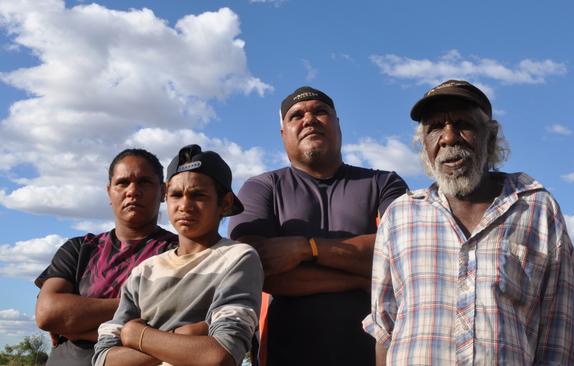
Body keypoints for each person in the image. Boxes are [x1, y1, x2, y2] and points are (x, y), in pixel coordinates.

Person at [362, 80, 574, 365]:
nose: (449, 138)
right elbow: (384, 328)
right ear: (425, 144)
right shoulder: (400, 216)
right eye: (435, 127)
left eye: (463, 124)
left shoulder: (537, 209)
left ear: (490, 138)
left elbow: (558, 339)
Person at [228, 86, 409, 366]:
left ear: (338, 124)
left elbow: (400, 257)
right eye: (296, 115)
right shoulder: (261, 188)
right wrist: (362, 279)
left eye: (320, 112)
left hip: (377, 356)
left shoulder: (384, 183)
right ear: (282, 134)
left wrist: (304, 248)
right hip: (282, 355)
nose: (309, 119)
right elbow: (253, 271)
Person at [93, 144, 263, 366]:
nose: (185, 205)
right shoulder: (145, 271)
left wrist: (137, 335)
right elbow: (104, 359)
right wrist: (184, 337)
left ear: (226, 203)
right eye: (175, 195)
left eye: (198, 195)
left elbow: (221, 355)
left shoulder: (238, 258)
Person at [34, 148, 177, 366]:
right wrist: (140, 314)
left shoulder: (179, 252)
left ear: (163, 191)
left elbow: (179, 319)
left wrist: (79, 326)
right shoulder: (79, 249)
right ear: (109, 191)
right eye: (122, 183)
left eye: (144, 182)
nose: (133, 191)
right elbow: (48, 313)